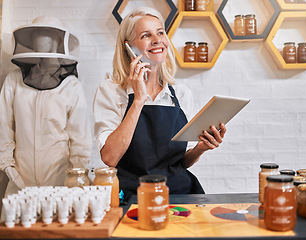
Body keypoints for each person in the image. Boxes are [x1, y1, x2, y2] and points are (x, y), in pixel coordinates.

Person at [93, 7, 226, 197]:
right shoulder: (111, 91)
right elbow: (110, 158)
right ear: (129, 46)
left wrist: (199, 149)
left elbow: (180, 162)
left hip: (178, 193)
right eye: (146, 35)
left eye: (160, 32)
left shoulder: (180, 94)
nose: (157, 40)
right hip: (132, 195)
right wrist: (138, 99)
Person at [0, 16, 92, 198]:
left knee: (55, 226)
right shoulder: (14, 79)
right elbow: (3, 125)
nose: (40, 40)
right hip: (20, 180)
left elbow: (80, 138)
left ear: (58, 41)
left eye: (46, 36)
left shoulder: (71, 85)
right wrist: (8, 166)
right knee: (16, 224)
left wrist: (77, 176)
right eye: (36, 35)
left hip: (59, 180)